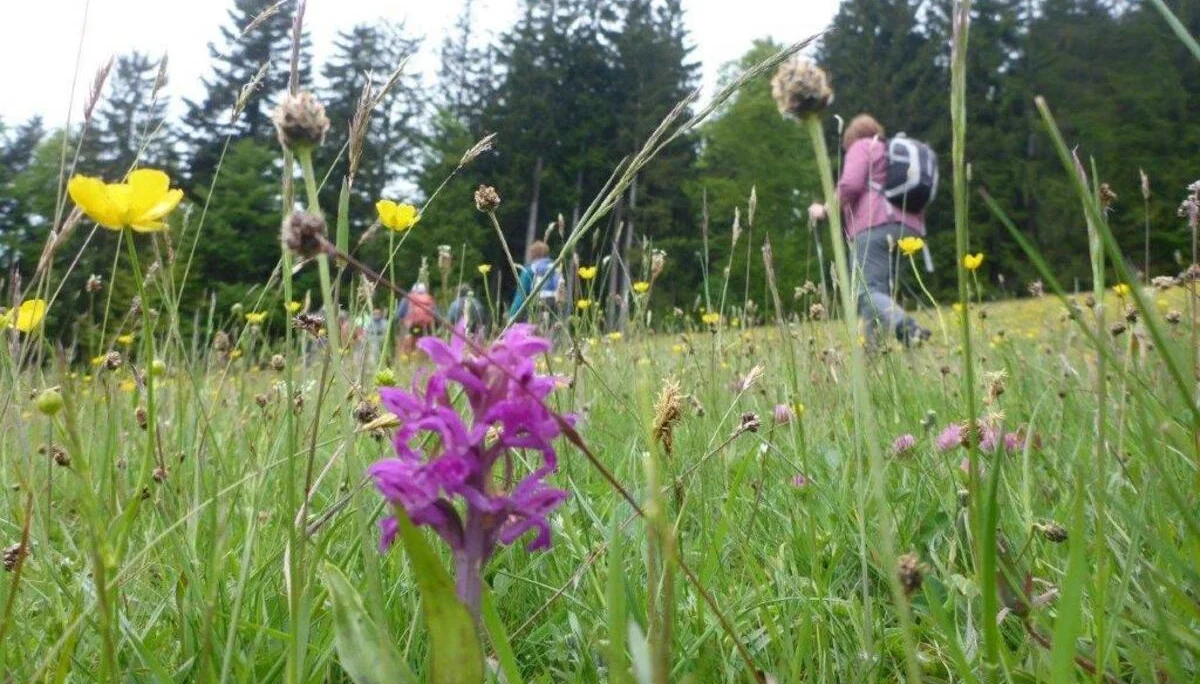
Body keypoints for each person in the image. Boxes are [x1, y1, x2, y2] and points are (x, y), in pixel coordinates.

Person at [810, 114, 932, 346]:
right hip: (910, 231)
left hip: (874, 226)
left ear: (850, 138)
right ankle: (873, 356)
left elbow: (850, 185)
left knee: (866, 292)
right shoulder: (890, 153)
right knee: (877, 296)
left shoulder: (862, 146)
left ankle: (905, 327)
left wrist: (825, 210)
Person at [507, 240, 563, 328]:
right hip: (555, 307)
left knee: (534, 331)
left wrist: (512, 315)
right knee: (550, 333)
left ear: (532, 255)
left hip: (537, 305)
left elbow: (521, 295)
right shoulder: (555, 268)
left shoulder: (530, 270)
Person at [397, 283, 437, 355]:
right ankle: (423, 357)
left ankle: (408, 359)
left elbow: (399, 314)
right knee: (424, 344)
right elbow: (436, 314)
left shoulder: (407, 298)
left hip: (411, 325)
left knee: (408, 344)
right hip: (426, 326)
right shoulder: (429, 299)